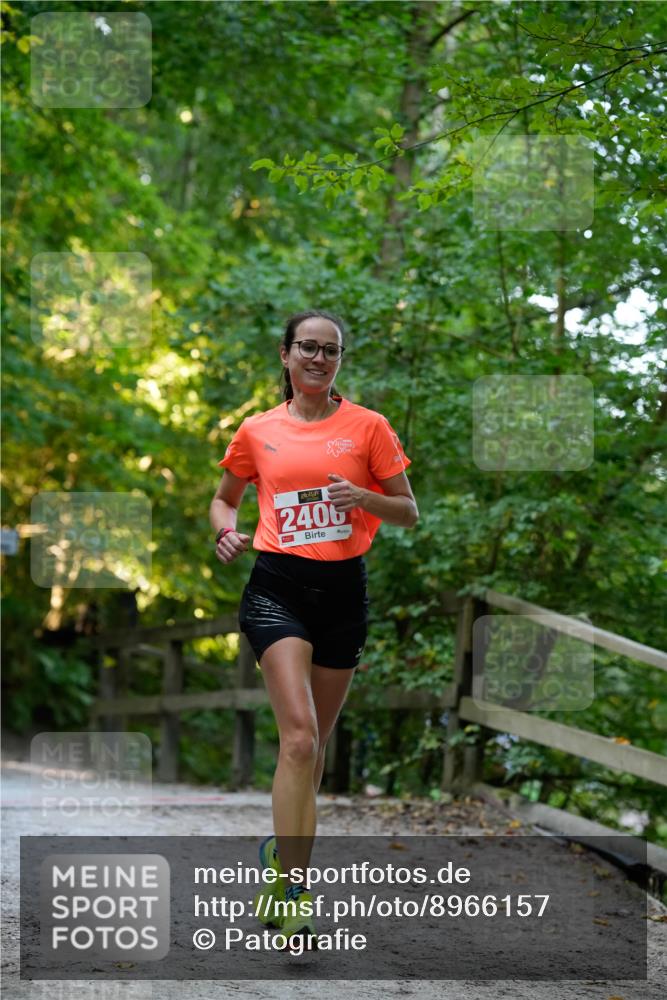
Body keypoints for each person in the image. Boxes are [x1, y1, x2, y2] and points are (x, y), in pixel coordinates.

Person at [210, 309, 418, 948]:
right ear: (286, 355)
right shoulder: (257, 430)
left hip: (342, 595)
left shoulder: (368, 427)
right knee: (298, 739)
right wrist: (225, 530)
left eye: (330, 351)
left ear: (339, 361)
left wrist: (365, 500)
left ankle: (282, 861)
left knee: (314, 746)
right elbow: (225, 497)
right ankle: (296, 890)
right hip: (276, 588)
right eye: (307, 347)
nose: (318, 359)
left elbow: (408, 511)